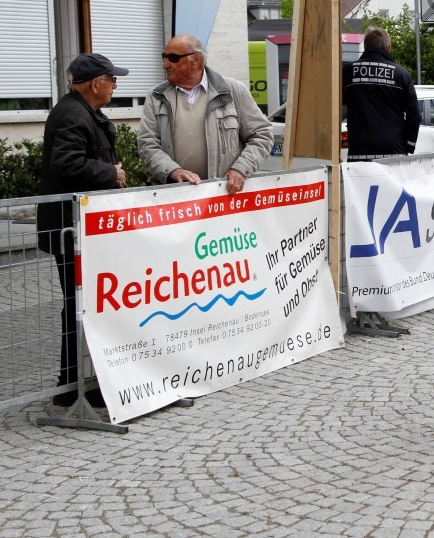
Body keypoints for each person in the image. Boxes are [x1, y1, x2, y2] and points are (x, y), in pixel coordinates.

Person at [37, 53, 129, 408]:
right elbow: (67, 163)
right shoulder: (74, 114)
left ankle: (83, 380)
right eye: (112, 80)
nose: (115, 86)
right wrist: (112, 173)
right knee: (78, 304)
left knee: (85, 303)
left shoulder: (80, 111)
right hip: (71, 229)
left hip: (82, 228)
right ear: (95, 83)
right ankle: (72, 384)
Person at [138, 35, 272, 191]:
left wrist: (241, 169)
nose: (165, 64)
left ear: (197, 59)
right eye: (164, 57)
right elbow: (147, 144)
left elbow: (262, 135)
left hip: (223, 193)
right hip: (175, 196)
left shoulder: (232, 91)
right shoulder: (156, 96)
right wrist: (172, 171)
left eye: (173, 58)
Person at [341, 27, 420, 161]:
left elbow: (336, 110)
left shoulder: (348, 72)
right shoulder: (401, 74)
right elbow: (415, 115)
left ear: (365, 46)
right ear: (389, 47)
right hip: (393, 151)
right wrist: (409, 144)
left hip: (360, 150)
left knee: (361, 182)